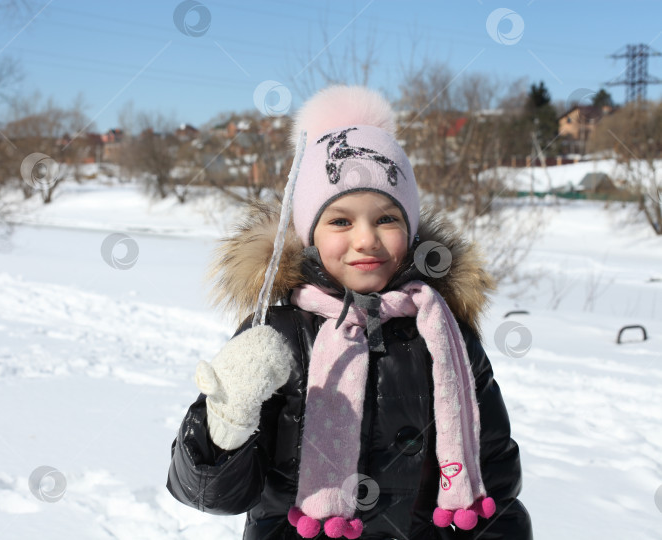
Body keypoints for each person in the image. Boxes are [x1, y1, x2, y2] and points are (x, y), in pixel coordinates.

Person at [166, 85, 533, 540]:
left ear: (411, 229)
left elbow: (494, 475)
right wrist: (225, 419)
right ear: (310, 234)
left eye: (386, 219)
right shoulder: (278, 336)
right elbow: (213, 494)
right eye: (341, 220)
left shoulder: (445, 336)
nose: (366, 240)